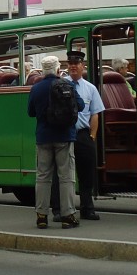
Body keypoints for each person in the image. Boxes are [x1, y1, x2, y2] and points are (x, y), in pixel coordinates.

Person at [26, 55, 79, 229]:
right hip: (64, 136)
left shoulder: (36, 88)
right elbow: (80, 105)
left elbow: (30, 112)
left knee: (42, 177)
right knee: (66, 177)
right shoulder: (67, 85)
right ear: (58, 69)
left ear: (42, 70)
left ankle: (41, 216)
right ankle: (68, 215)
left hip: (43, 137)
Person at [52, 51, 105, 221]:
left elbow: (95, 113)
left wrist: (92, 136)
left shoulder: (90, 88)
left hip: (83, 134)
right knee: (61, 173)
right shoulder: (59, 85)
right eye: (70, 64)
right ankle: (59, 210)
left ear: (83, 66)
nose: (73, 67)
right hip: (64, 133)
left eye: (77, 64)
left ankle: (87, 208)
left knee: (86, 173)